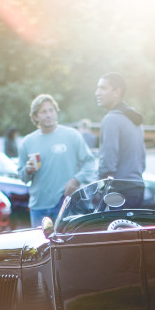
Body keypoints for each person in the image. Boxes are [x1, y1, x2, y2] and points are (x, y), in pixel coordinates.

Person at [18, 94, 96, 226]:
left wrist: (76, 180)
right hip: (38, 208)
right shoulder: (27, 142)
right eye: (43, 112)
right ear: (35, 116)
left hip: (66, 205)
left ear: (56, 113)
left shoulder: (72, 135)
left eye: (51, 110)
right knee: (41, 246)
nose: (48, 115)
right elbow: (23, 177)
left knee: (67, 246)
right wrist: (27, 170)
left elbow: (90, 163)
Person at [94, 72, 145, 182]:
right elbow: (142, 162)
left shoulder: (111, 119)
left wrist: (97, 186)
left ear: (117, 92)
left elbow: (108, 162)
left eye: (103, 88)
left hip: (119, 190)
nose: (97, 93)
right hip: (137, 186)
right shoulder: (134, 119)